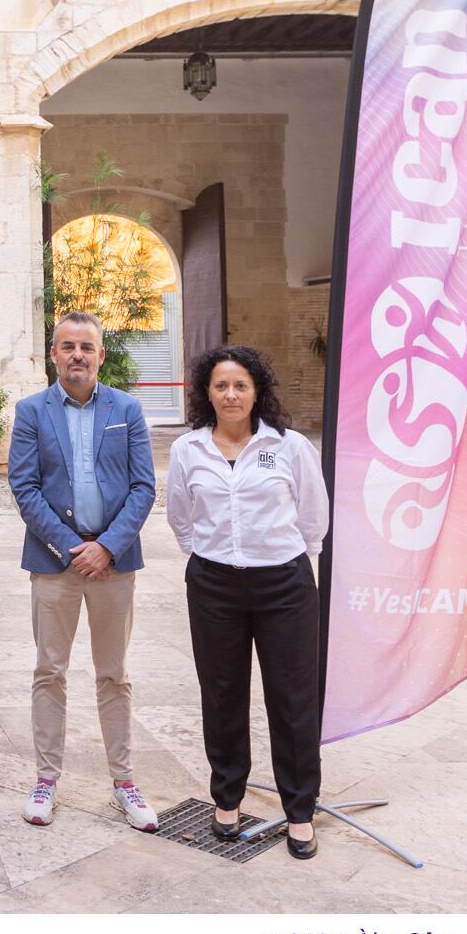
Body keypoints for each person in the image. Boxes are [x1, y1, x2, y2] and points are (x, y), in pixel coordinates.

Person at [166, 344, 329, 859]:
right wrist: (211, 558)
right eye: (221, 386)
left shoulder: (289, 447)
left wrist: (289, 561)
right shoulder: (188, 450)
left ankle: (300, 810)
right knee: (222, 696)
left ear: (257, 391)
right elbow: (180, 517)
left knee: (293, 701)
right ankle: (227, 799)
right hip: (214, 586)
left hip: (284, 586)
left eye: (241, 385)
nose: (231, 394)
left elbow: (313, 518)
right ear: (206, 393)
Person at [7, 311, 158, 831]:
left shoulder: (128, 409)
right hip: (56, 564)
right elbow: (24, 487)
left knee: (114, 674)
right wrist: (74, 547)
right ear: (54, 353)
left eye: (86, 347)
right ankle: (46, 780)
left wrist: (108, 547)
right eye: (67, 346)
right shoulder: (31, 412)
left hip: (114, 565)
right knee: (50, 671)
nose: (77, 355)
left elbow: (144, 487)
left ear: (99, 354)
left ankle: (125, 783)